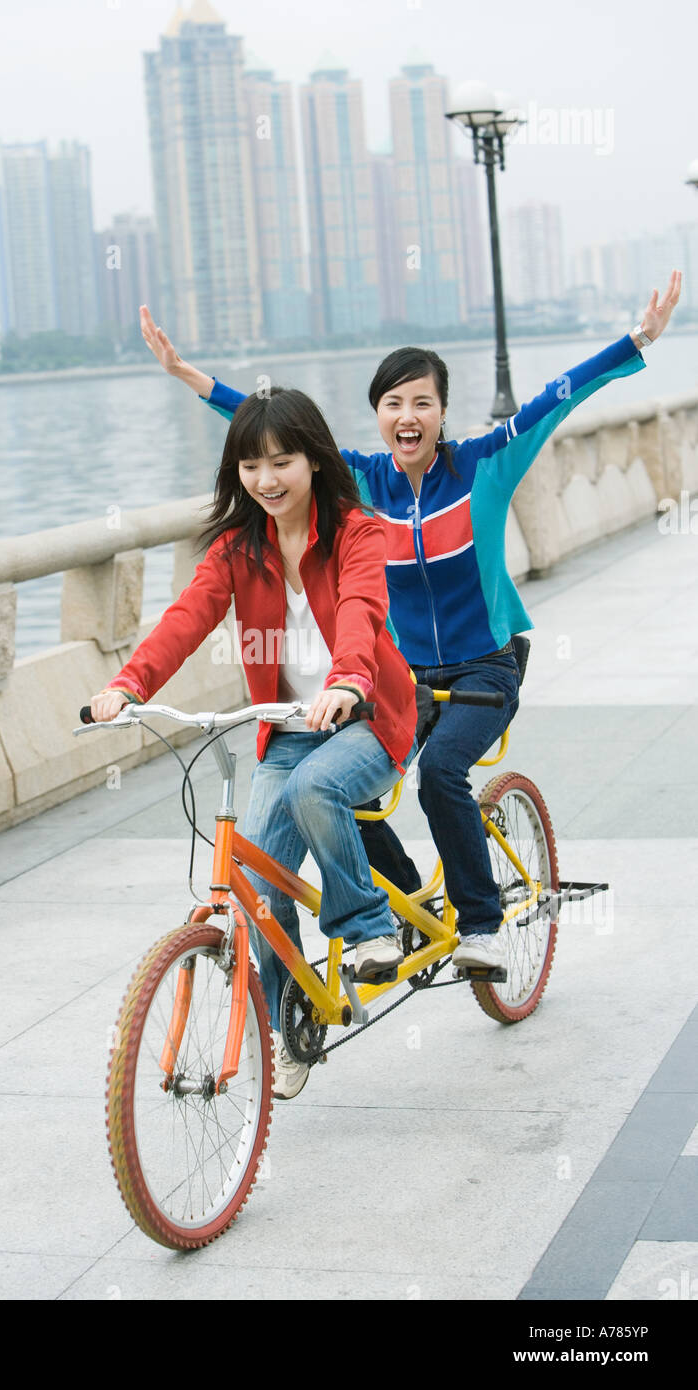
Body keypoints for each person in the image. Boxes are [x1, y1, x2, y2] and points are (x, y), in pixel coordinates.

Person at [138, 270, 681, 974]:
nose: (407, 414)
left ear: (440, 412)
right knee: (334, 794)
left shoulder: (485, 463)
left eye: (421, 401)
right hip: (398, 676)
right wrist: (192, 378)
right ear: (377, 414)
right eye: (392, 401)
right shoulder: (362, 479)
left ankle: (481, 927)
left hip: (486, 665)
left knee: (438, 778)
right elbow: (275, 437)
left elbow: (559, 396)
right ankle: (400, 913)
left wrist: (635, 339)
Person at [89, 386, 418, 1098]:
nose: (265, 480)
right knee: (257, 889)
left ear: (315, 461)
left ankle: (368, 927)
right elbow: (185, 618)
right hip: (289, 730)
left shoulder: (358, 533)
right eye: (249, 466)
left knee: (314, 789)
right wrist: (128, 685)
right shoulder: (237, 550)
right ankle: (291, 1018)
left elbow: (361, 610)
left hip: (367, 719)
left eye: (281, 461)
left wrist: (349, 679)